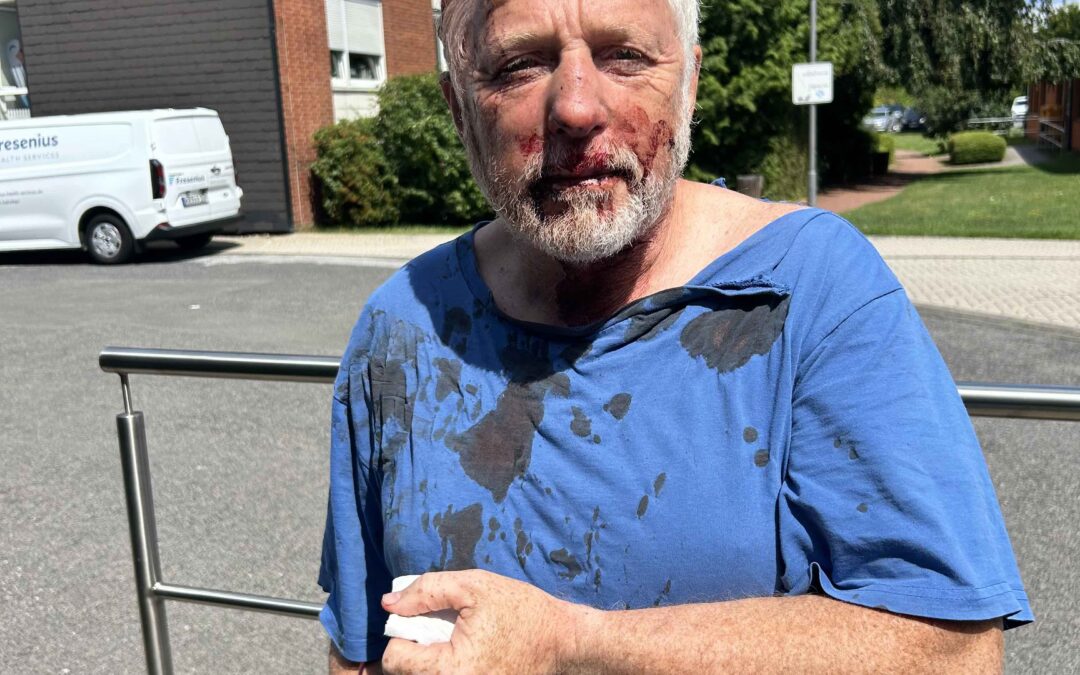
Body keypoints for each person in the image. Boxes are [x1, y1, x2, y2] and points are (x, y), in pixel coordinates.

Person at [319, 0, 1031, 672]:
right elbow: (358, 647)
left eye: (624, 56)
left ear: (688, 84)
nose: (576, 108)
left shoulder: (809, 289)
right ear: (459, 110)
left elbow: (954, 652)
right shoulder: (402, 327)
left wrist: (573, 644)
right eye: (519, 65)